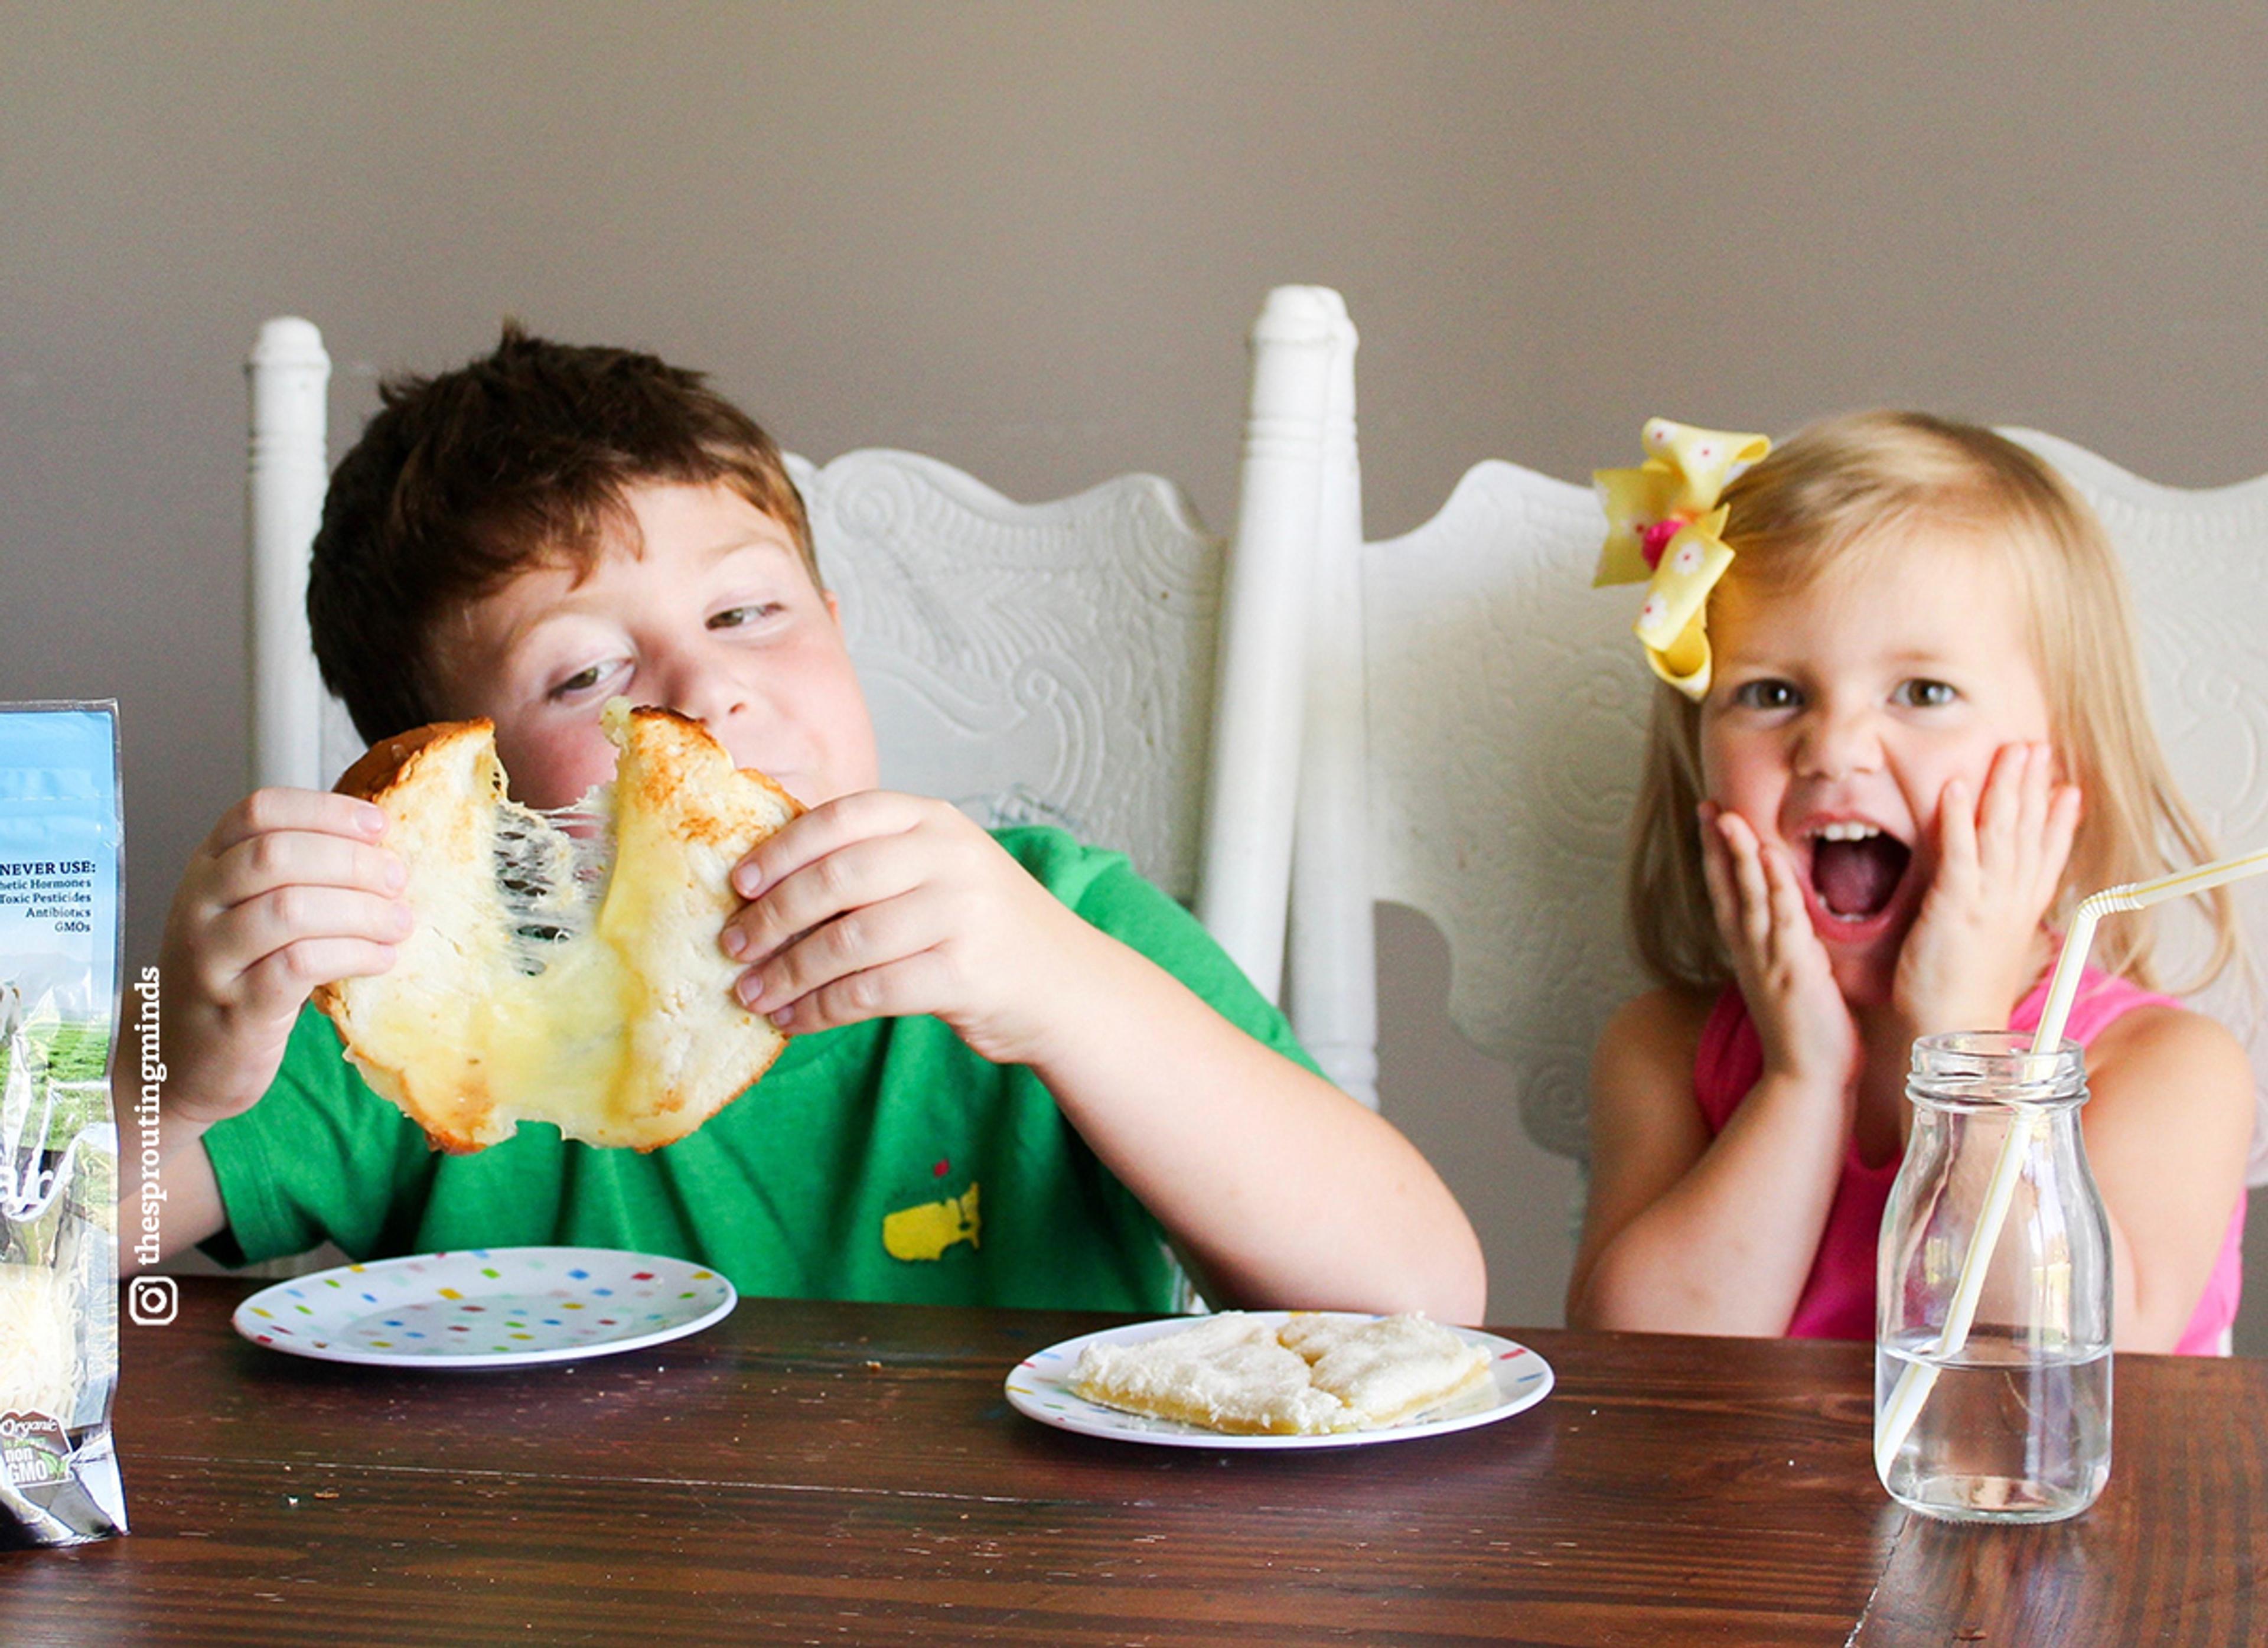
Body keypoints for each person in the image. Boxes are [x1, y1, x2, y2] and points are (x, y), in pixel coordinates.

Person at [131, 326, 1485, 1322]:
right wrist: (183, 1086)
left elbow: (1422, 1292)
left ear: (837, 636)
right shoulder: (407, 1010)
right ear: (439, 781)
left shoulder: (1048, 925)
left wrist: (1064, 996)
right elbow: (46, 1253)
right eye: (585, 672)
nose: (707, 691)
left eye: (745, 614)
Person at [1567, 412, 2250, 1353]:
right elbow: (1641, 1365)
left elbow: (2077, 1361)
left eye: (1923, 693)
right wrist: (1802, 1084)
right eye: (1771, 694)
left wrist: (1961, 1041)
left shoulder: (2166, 1070)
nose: (1834, 748)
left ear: (2062, 767)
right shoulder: (1665, 1053)